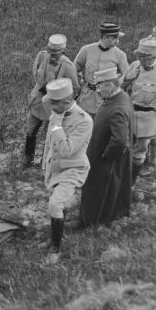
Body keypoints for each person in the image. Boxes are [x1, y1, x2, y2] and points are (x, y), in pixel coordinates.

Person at [41, 79, 93, 263]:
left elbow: (66, 150)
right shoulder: (57, 111)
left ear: (68, 99)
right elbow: (50, 142)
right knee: (58, 203)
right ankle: (55, 236)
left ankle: (55, 248)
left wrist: (56, 125)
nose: (51, 106)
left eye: (54, 102)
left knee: (54, 205)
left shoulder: (84, 121)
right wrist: (44, 163)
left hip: (73, 168)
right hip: (55, 168)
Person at [81, 67, 133, 226]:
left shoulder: (118, 108)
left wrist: (105, 157)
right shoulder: (119, 98)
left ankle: (95, 222)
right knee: (107, 188)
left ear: (110, 85)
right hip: (101, 154)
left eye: (99, 86)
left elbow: (119, 141)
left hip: (106, 160)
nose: (97, 90)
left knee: (101, 190)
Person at [122, 36, 156, 185]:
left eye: (146, 57)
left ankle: (130, 183)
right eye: (140, 56)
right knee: (127, 145)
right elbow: (119, 87)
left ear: (155, 56)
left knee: (140, 151)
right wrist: (127, 79)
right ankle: (124, 173)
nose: (142, 60)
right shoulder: (134, 65)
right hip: (130, 113)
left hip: (148, 117)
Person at [24, 34, 79, 167]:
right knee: (30, 131)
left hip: (55, 105)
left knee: (51, 135)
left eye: (56, 53)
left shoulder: (68, 66)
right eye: (51, 52)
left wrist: (63, 103)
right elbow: (35, 70)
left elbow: (75, 89)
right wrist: (39, 85)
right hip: (38, 100)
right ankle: (28, 159)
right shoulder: (42, 56)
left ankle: (46, 162)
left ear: (63, 52)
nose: (52, 55)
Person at [74, 22, 129, 118]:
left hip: (108, 99)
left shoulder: (120, 55)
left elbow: (126, 75)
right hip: (87, 97)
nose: (118, 41)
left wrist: (115, 87)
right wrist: (79, 83)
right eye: (115, 38)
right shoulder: (86, 50)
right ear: (104, 38)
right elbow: (75, 69)